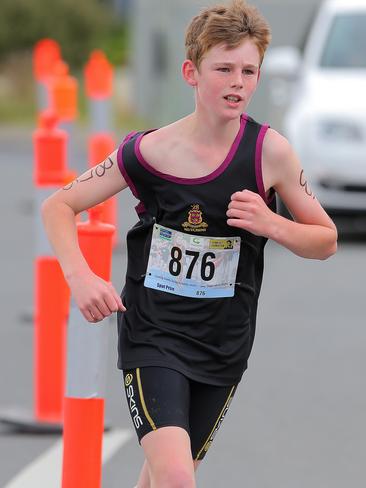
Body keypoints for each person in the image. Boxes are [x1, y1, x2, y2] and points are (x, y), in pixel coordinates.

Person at [42, 1, 337, 486]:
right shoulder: (147, 152)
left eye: (249, 70)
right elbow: (59, 206)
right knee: (177, 476)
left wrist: (270, 223)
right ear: (191, 72)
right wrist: (80, 277)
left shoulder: (271, 153)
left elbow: (325, 240)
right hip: (153, 335)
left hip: (224, 345)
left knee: (163, 477)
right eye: (223, 68)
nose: (237, 82)